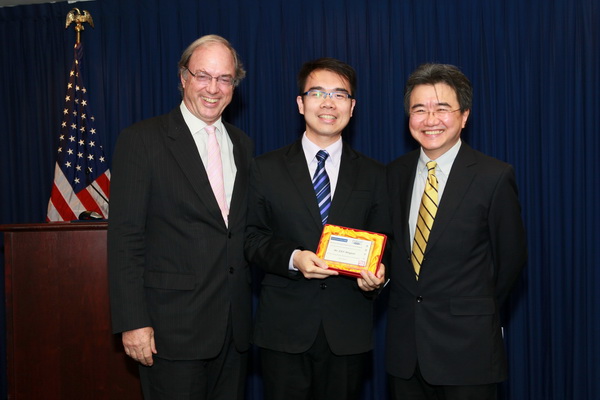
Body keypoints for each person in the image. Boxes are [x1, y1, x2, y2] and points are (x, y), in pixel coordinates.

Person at [108, 34, 253, 399]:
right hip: (170, 331)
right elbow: (125, 238)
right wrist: (133, 321)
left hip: (234, 332)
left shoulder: (242, 144)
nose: (213, 88)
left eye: (224, 79)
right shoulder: (142, 140)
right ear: (183, 77)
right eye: (203, 75)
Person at [244, 57, 390, 400]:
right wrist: (294, 258)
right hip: (283, 329)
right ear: (301, 103)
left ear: (352, 107)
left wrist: (379, 275)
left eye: (339, 94)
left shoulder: (375, 174)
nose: (328, 103)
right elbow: (250, 238)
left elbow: (387, 241)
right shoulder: (265, 168)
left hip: (347, 330)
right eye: (318, 93)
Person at [385, 63, 527, 400]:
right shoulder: (393, 173)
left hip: (469, 349)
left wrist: (474, 309)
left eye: (442, 108)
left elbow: (511, 260)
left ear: (464, 116)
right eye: (419, 109)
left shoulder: (494, 176)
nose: (430, 119)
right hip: (406, 351)